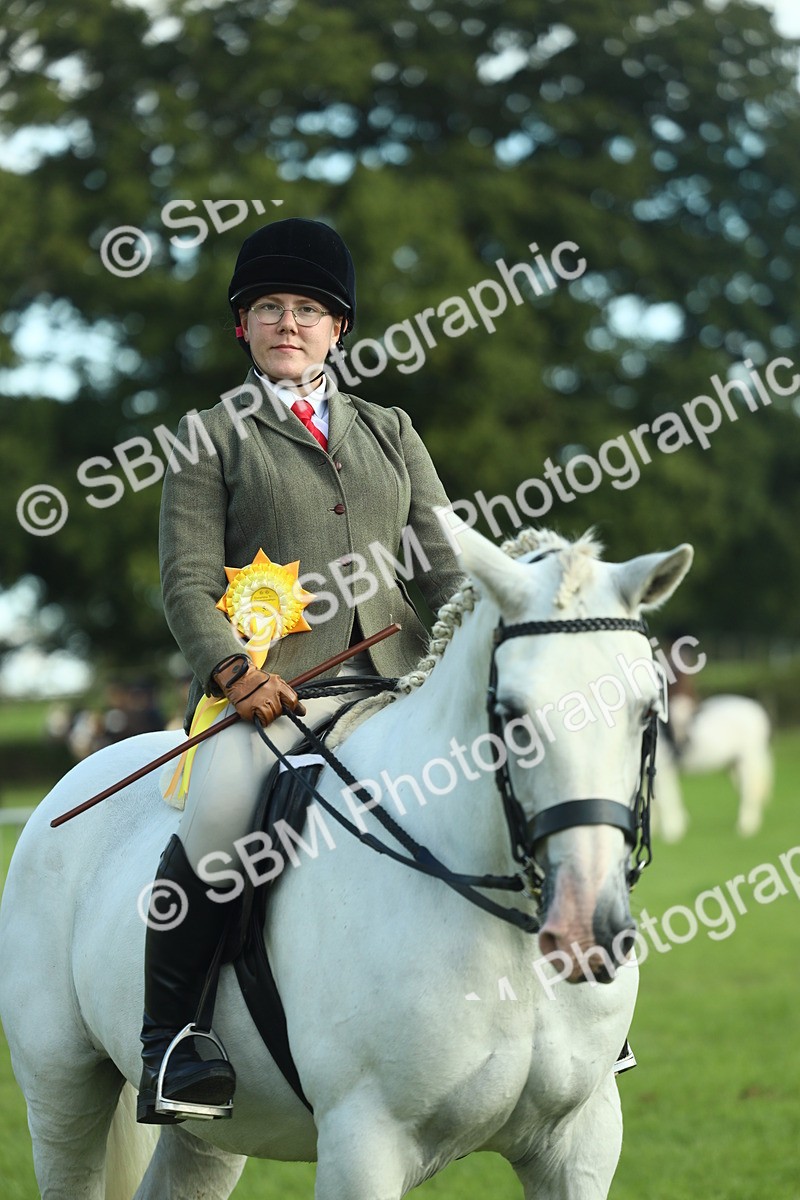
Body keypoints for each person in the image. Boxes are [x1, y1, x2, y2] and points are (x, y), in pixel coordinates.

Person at [137, 217, 464, 1124]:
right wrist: (236, 676)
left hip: (395, 684)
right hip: (273, 702)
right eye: (270, 308)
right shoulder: (209, 437)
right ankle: (173, 1041)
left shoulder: (390, 429)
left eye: (309, 309)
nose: (290, 322)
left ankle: (560, 999)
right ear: (243, 326)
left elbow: (444, 571)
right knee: (218, 819)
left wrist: (485, 642)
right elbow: (187, 586)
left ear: (338, 329)